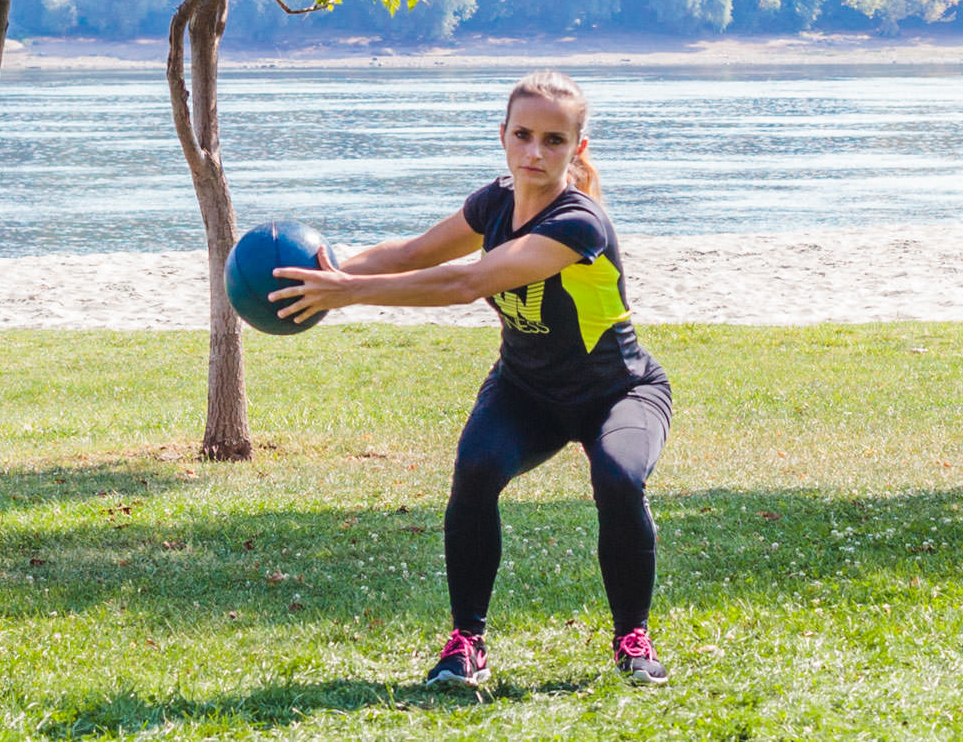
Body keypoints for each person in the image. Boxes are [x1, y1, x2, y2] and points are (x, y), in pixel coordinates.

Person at [270, 70, 673, 688]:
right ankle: (466, 643)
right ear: (504, 137)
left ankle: (632, 639)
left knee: (618, 478)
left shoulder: (579, 224)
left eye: (554, 140)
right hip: (527, 390)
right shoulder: (494, 203)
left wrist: (348, 292)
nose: (535, 152)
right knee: (477, 468)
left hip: (618, 391)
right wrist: (326, 273)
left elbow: (467, 283)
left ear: (577, 149)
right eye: (523, 135)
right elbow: (411, 255)